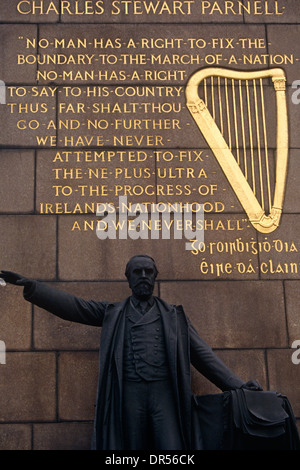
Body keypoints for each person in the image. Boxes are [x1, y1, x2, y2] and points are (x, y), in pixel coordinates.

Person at [0, 255, 262, 450]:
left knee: (172, 449)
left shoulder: (174, 317)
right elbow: (75, 307)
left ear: (155, 277)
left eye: (149, 271)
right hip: (129, 395)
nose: (144, 275)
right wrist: (34, 288)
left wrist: (237, 386)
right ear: (129, 278)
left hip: (164, 396)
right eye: (138, 271)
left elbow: (204, 356)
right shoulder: (113, 313)